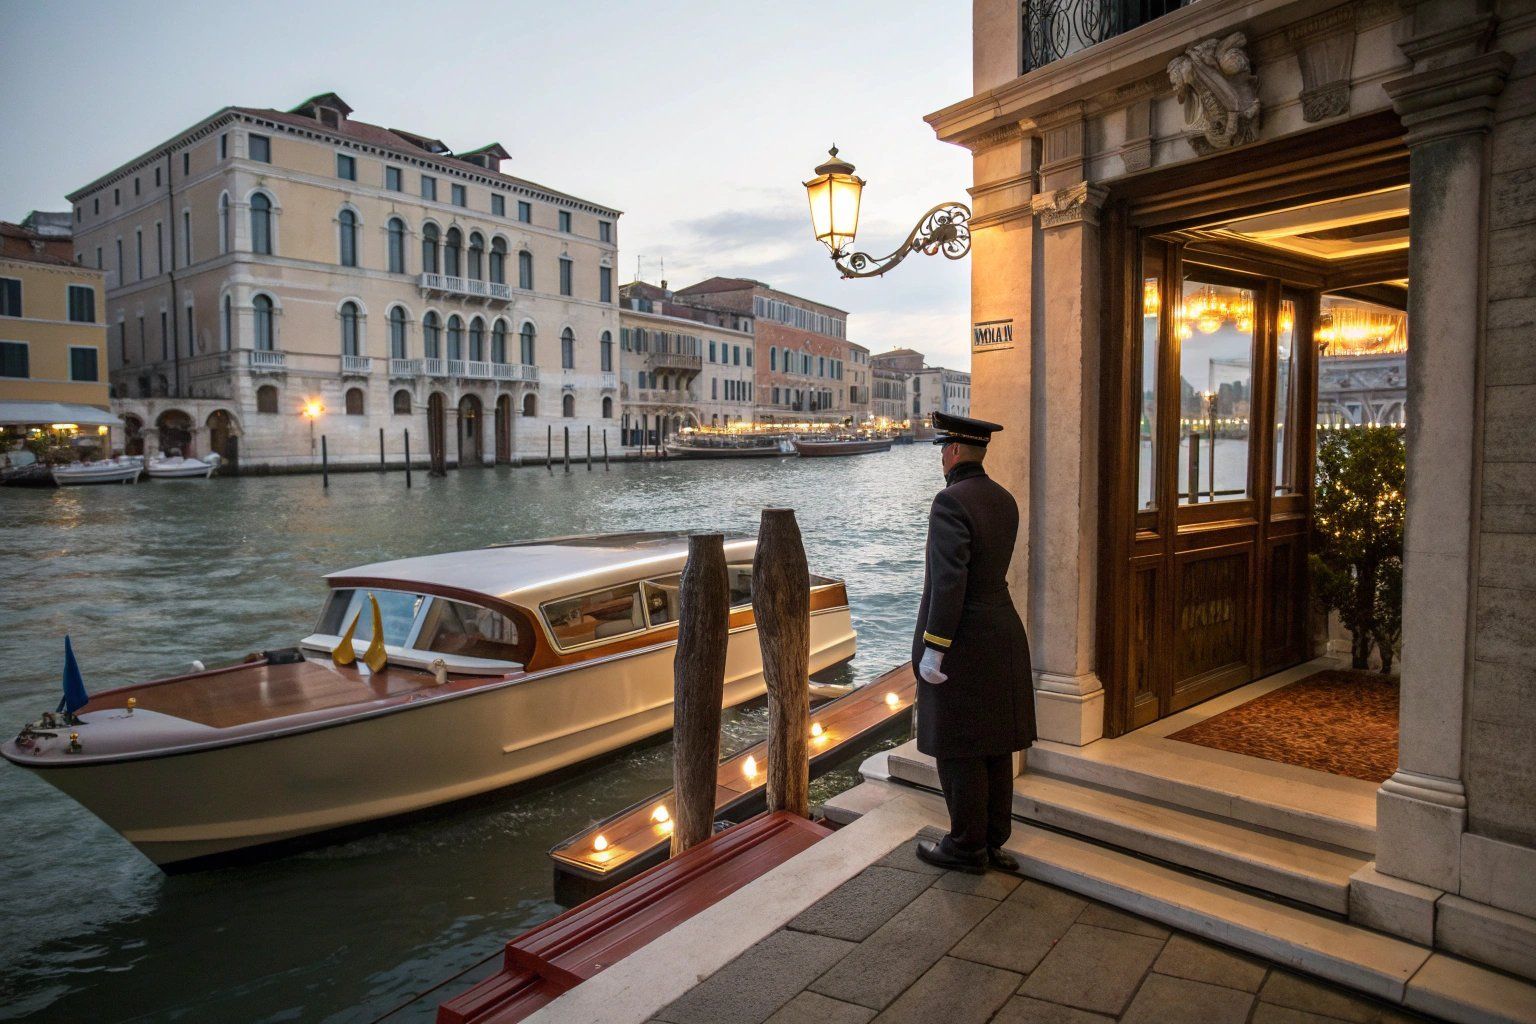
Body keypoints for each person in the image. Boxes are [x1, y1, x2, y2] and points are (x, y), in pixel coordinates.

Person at [911, 411, 1036, 874]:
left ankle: (965, 847)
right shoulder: (1004, 499)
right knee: (996, 744)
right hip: (1002, 633)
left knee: (959, 745)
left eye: (943, 449)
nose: (941, 457)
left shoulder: (950, 502)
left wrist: (934, 647)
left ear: (955, 452)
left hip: (963, 641)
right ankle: (992, 841)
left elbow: (949, 583)